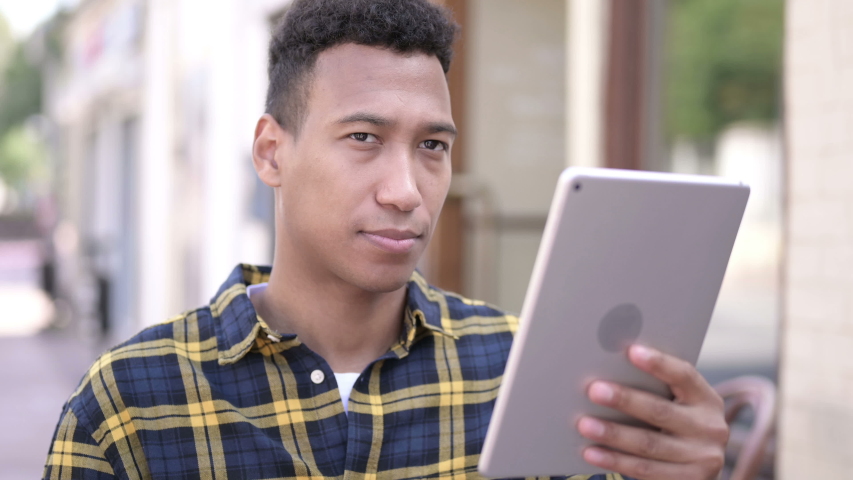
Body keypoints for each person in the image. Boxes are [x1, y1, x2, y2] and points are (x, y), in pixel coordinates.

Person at [43, 0, 728, 478]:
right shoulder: (132, 403)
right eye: (363, 138)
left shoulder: (524, 377)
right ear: (271, 152)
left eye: (431, 145)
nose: (405, 189)